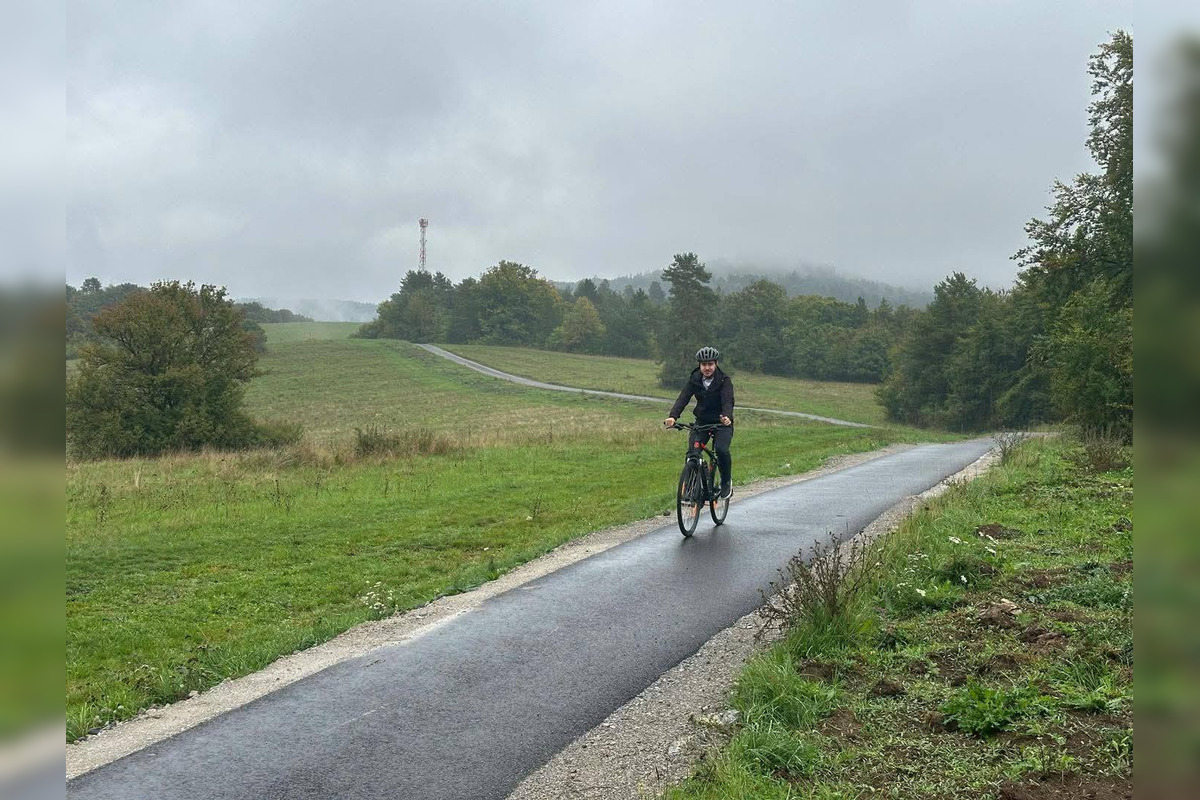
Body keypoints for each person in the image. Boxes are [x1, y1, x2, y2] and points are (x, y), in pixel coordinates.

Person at [664, 346, 735, 499]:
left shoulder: (724, 380)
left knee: (721, 450)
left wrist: (727, 416)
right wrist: (673, 416)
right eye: (704, 365)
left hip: (722, 423)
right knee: (692, 454)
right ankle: (690, 490)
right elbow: (683, 398)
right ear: (699, 365)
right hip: (702, 422)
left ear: (715, 364)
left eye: (710, 364)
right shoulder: (695, 379)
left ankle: (726, 482)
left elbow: (728, 401)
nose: (707, 368)